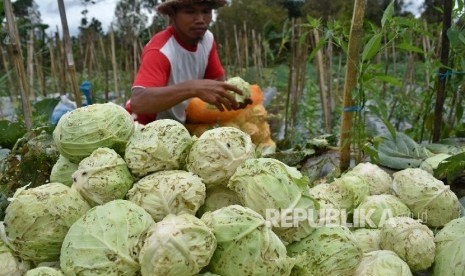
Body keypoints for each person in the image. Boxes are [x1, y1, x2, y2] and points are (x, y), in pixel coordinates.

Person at [128, 0, 246, 125]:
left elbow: (216, 82)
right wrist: (193, 88)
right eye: (190, 12)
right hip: (147, 126)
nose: (200, 19)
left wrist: (238, 98)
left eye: (206, 11)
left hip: (179, 126)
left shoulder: (207, 39)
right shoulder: (161, 50)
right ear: (172, 15)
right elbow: (139, 102)